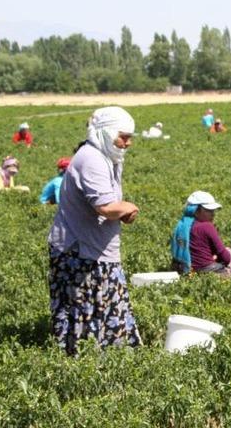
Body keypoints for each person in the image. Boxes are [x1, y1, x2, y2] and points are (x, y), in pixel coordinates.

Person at [47, 106, 142, 355]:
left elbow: (110, 206)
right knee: (83, 312)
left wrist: (123, 212)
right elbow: (105, 207)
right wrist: (126, 207)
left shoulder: (108, 157)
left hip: (97, 250)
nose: (127, 143)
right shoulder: (91, 158)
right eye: (123, 136)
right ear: (106, 132)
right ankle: (82, 367)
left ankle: (106, 364)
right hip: (79, 252)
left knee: (108, 310)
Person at [170, 190, 231, 277]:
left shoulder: (181, 226)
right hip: (208, 273)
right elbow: (226, 258)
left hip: (185, 272)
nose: (213, 214)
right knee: (229, 252)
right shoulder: (207, 227)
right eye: (209, 210)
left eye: (213, 210)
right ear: (196, 211)